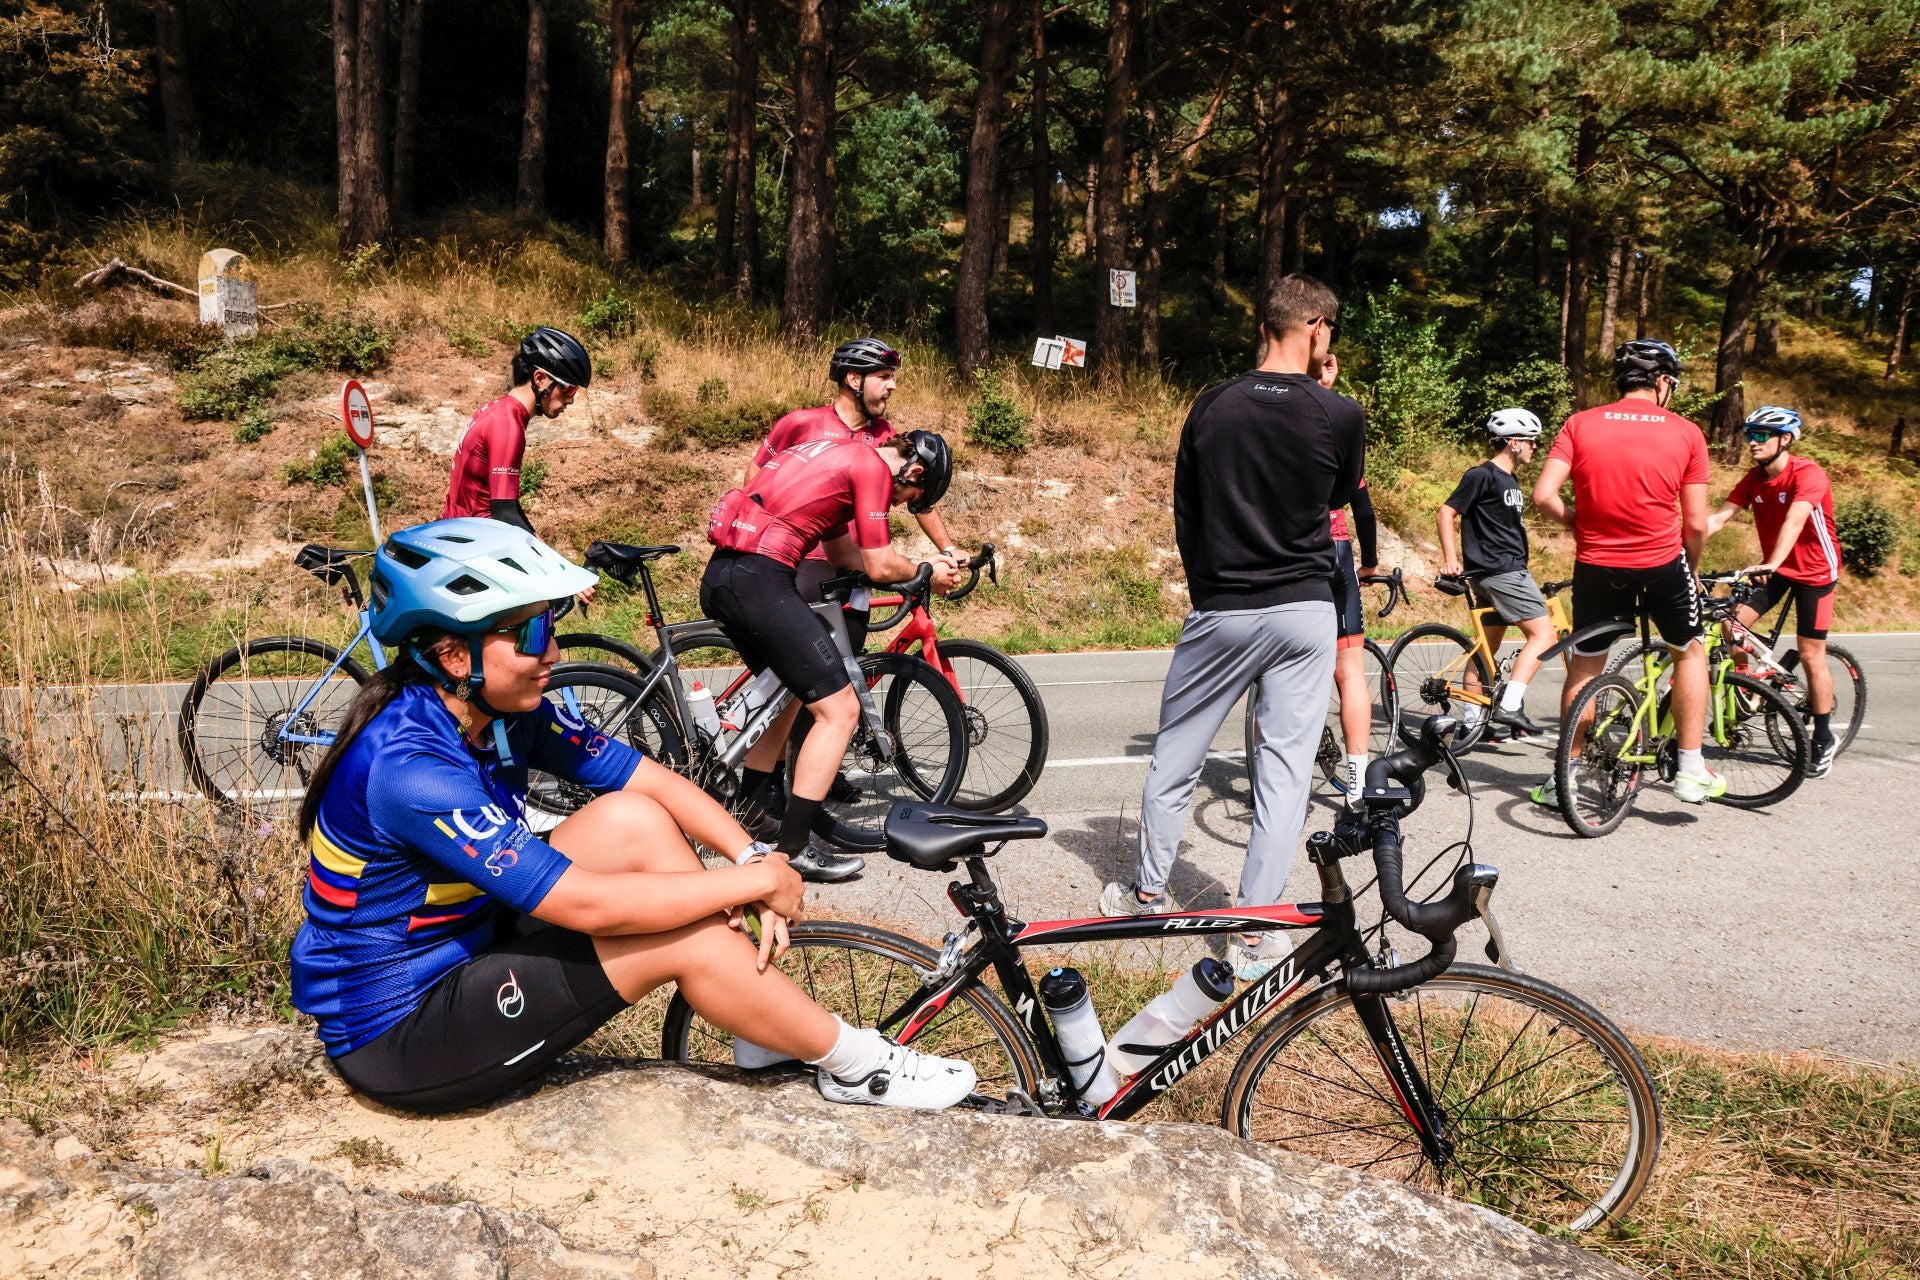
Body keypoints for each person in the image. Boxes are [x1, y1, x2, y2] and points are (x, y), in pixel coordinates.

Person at [289, 518, 976, 1114]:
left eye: (551, 625)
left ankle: (756, 1021)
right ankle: (862, 1066)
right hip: (398, 1034)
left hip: (469, 942)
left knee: (632, 817)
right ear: (449, 654)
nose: (552, 653)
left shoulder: (491, 711)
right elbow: (583, 904)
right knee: (690, 938)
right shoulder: (411, 770)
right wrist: (752, 887)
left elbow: (653, 782)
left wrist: (748, 857)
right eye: (529, 632)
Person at [1101, 274, 1363, 982]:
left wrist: (1208, 587)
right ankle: (1253, 934)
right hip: (1306, 608)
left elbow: (1187, 508)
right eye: (1328, 331)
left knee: (1176, 757)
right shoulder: (1340, 413)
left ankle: (1148, 894)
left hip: (1223, 604)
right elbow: (1337, 497)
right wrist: (1327, 391)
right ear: (1315, 327)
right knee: (1282, 773)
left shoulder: (1211, 405)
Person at [702, 432, 961, 883]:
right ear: (913, 471)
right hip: (760, 579)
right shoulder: (874, 470)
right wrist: (924, 570)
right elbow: (879, 563)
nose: (898, 503)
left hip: (723, 573)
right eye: (908, 498)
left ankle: (750, 812)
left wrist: (901, 581)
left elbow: (845, 557)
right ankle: (794, 851)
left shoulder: (837, 454)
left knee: (792, 693)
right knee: (841, 709)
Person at [1530, 340, 1720, 807]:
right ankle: (1691, 770)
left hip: (1596, 563)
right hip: (1661, 562)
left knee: (1587, 664)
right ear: (1662, 382)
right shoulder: (1687, 432)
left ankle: (1565, 778)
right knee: (1690, 654)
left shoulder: (1580, 424)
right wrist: (1691, 569)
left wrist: (1580, 524)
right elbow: (1695, 524)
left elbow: (1542, 495)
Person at [748, 339, 970, 656]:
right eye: (884, 376)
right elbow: (756, 478)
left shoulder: (885, 437)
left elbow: (916, 497)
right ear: (854, 380)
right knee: (803, 672)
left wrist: (947, 548)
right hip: (804, 564)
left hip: (857, 565)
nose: (892, 385)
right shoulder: (801, 423)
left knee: (846, 668)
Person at [1705, 405, 1844, 778]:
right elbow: (1718, 518)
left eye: (1762, 434)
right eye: (1750, 434)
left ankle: (1824, 737)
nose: (1753, 441)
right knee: (1730, 626)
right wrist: (1670, 541)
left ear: (1785, 439)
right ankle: (1749, 689)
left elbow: (1797, 519)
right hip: (1777, 569)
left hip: (1816, 572)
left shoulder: (1809, 474)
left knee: (1811, 653)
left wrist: (1772, 561)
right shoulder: (1753, 479)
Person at [1436, 408, 1555, 737]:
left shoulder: (1509, 480)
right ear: (1514, 442)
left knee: (1486, 648)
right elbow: (1446, 512)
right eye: (1533, 441)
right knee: (1545, 634)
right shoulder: (1482, 475)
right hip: (1501, 571)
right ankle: (1510, 705)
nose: (1536, 447)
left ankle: (1474, 725)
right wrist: (1450, 558)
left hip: (1499, 571)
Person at [1317, 352, 1390, 800]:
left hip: (1283, 550)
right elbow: (1361, 506)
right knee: (1349, 670)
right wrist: (1371, 562)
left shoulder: (1273, 414)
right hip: (1336, 546)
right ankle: (1358, 782)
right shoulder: (1343, 426)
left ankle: (1268, 771)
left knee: (1275, 668)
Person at [443, 326, 592, 536]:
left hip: (458, 530)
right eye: (568, 389)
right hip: (472, 539)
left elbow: (507, 504)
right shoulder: (508, 426)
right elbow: (504, 514)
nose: (571, 399)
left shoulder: (495, 409)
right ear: (540, 379)